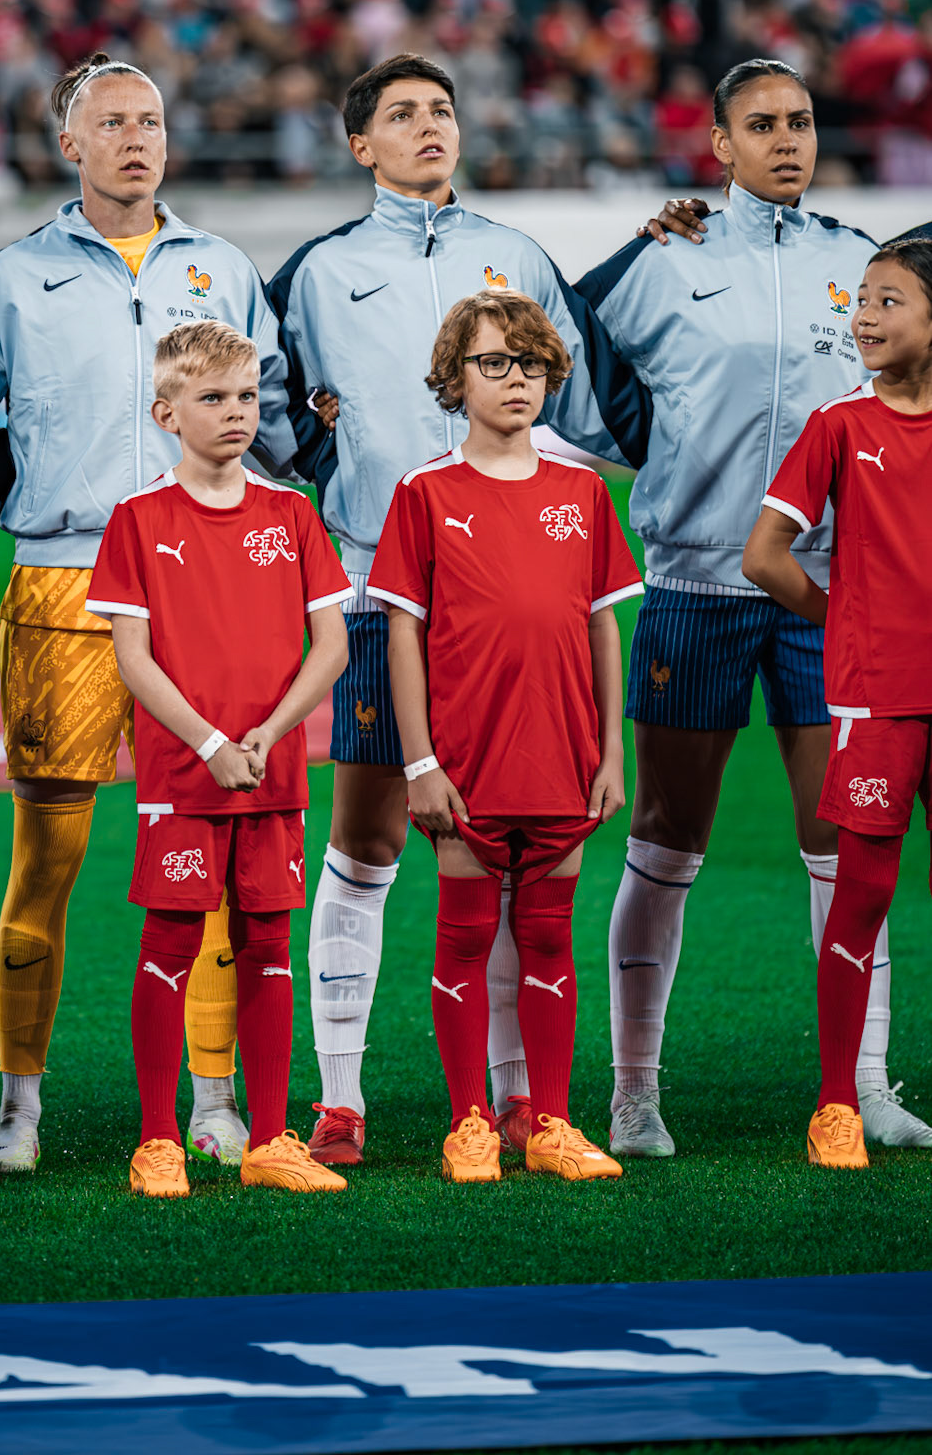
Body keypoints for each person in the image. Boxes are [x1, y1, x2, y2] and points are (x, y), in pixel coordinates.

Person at [268, 52, 650, 1167]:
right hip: (379, 590)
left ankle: (515, 1107)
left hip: (516, 584)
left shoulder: (518, 254)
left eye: (441, 109)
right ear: (359, 145)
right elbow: (280, 417)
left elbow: (575, 385)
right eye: (402, 114)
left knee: (514, 857)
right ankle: (341, 1098)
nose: (429, 126)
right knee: (373, 835)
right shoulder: (320, 268)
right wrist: (326, 437)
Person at [576, 59, 930, 1157]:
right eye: (762, 124)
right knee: (668, 838)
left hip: (830, 596)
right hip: (692, 582)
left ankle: (863, 1085)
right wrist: (657, 445)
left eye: (802, 121)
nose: (788, 139)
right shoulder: (666, 253)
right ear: (716, 143)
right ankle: (636, 1093)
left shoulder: (853, 263)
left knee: (843, 837)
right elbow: (574, 355)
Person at [0, 54, 294, 1173]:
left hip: (210, 586)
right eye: (112, 121)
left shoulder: (226, 267)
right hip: (61, 583)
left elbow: (273, 410)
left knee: (214, 849)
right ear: (70, 142)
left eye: (150, 119)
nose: (136, 137)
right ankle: (19, 1107)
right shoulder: (10, 276)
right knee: (45, 854)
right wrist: (45, 503)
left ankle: (210, 1102)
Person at [370, 290, 641, 1181]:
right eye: (493, 363)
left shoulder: (583, 492)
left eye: (530, 363)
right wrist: (419, 761)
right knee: (461, 937)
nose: (515, 379)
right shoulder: (424, 492)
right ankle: (468, 1123)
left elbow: (603, 627)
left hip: (561, 753)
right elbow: (402, 631)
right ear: (455, 377)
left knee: (552, 936)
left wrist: (610, 751)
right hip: (464, 759)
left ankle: (554, 1123)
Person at [87, 321, 351, 1196]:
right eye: (212, 398)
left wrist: (268, 737)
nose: (235, 413)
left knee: (269, 943)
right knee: (169, 940)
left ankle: (273, 1140)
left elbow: (330, 648)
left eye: (246, 396)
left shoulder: (291, 512)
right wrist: (207, 743)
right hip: (182, 776)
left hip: (270, 773)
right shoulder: (137, 519)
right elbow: (133, 656)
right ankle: (157, 1139)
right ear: (166, 412)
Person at [744, 239, 932, 1168]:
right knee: (861, 897)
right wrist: (845, 615)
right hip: (875, 701)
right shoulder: (838, 424)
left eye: (887, 300)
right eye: (860, 298)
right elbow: (763, 555)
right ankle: (834, 1107)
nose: (861, 315)